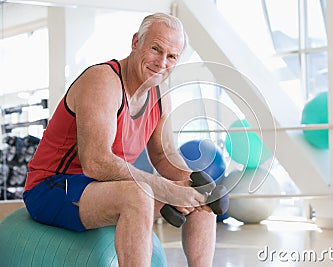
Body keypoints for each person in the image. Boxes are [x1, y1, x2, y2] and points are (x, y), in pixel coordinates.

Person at [23, 13, 216, 267]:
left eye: (171, 57)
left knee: (203, 200)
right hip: (54, 186)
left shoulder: (160, 92)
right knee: (138, 195)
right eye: (156, 49)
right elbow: (96, 162)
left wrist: (189, 181)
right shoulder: (103, 81)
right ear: (136, 42)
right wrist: (166, 189)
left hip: (107, 187)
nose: (161, 63)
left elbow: (163, 153)